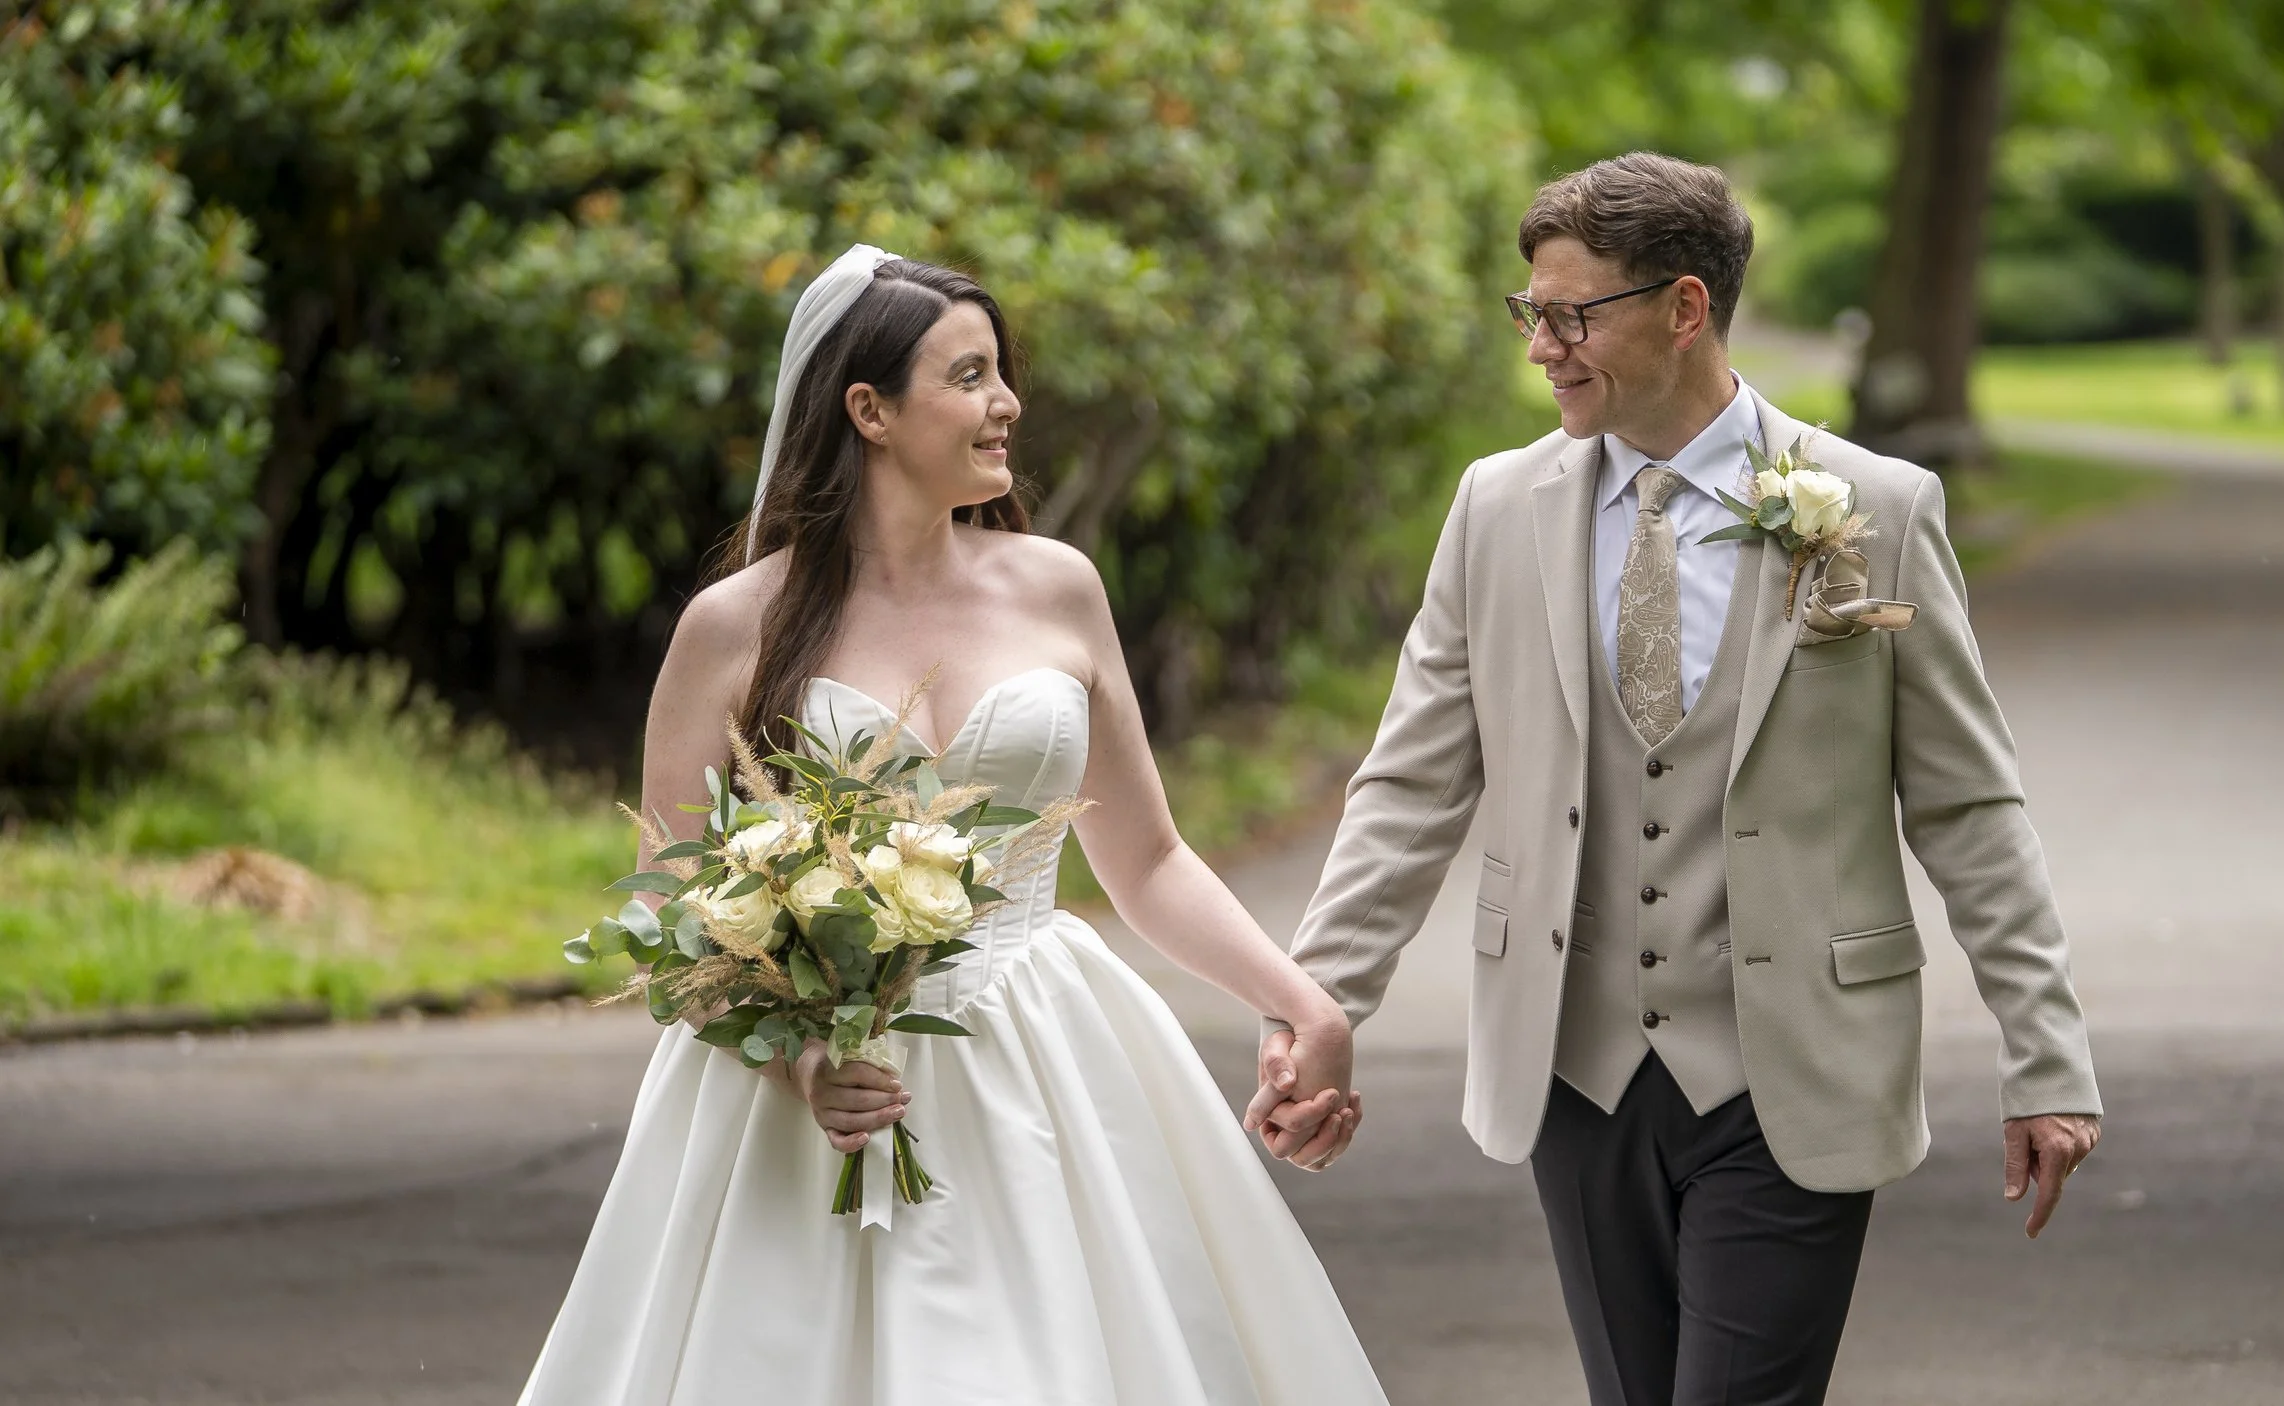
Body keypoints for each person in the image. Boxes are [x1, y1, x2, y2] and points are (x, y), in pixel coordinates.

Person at [1245, 153, 2105, 1405]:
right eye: (1528, 312)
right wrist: (1314, 1008)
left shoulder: (1876, 505)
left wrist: (2046, 1052)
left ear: (1684, 307)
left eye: (1571, 313)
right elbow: (1409, 785)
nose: (1541, 344)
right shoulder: (1495, 508)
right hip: (1573, 1063)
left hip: (1795, 1067)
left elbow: (1970, 806)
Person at [519, 247, 1379, 1404]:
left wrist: (1302, 1000)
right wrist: (801, 1056)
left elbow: (1149, 859)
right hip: (809, 1105)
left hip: (1042, 1060)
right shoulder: (732, 626)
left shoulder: (1059, 586)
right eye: (970, 376)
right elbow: (662, 901)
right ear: (867, 410)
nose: (1007, 403)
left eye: (1001, 373)